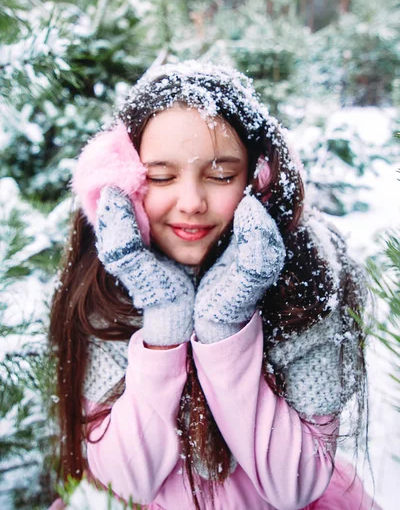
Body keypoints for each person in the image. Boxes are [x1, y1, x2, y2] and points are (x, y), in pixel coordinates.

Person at [49, 61, 380, 510]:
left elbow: (295, 485)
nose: (191, 203)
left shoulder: (303, 285)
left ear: (259, 178)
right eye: (160, 177)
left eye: (222, 175)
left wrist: (225, 327)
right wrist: (165, 323)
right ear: (120, 184)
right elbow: (123, 482)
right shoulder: (105, 290)